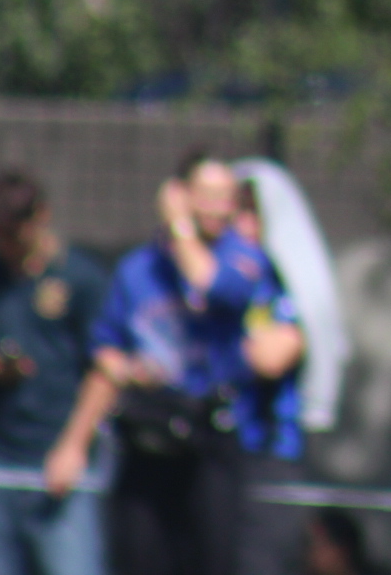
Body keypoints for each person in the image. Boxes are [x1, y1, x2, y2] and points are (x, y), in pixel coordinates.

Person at [89, 150, 285, 575]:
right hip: (149, 433)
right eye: (208, 194)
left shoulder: (243, 256)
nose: (219, 207)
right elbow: (106, 346)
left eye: (227, 196)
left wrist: (179, 227)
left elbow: (212, 285)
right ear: (179, 193)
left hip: (211, 437)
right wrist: (129, 370)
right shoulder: (138, 269)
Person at [0, 168, 112, 575]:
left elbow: (105, 370)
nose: (7, 246)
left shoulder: (79, 276)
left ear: (41, 216)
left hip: (58, 455)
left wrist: (74, 447)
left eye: (15, 234)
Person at [230, 176, 310, 575]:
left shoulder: (282, 284)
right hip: (211, 453)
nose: (242, 225)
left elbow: (272, 357)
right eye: (235, 212)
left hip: (268, 453)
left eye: (253, 212)